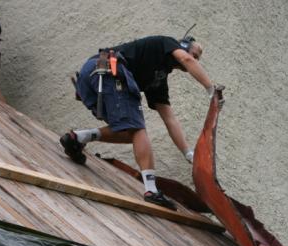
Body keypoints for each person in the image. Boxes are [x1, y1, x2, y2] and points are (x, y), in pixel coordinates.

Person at [60, 34, 222, 210]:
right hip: (109, 69)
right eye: (194, 54)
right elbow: (186, 59)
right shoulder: (166, 43)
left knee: (129, 133)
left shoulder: (158, 80)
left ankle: (77, 138)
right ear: (182, 45)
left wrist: (188, 154)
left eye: (198, 58)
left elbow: (169, 118)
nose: (195, 60)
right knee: (138, 130)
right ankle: (151, 191)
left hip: (92, 74)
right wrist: (211, 89)